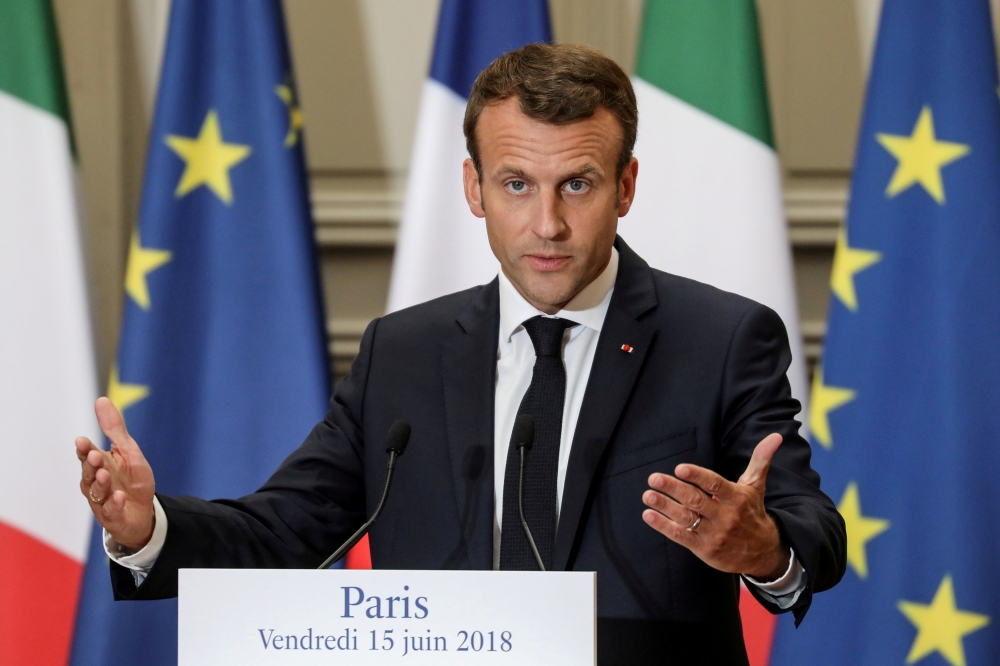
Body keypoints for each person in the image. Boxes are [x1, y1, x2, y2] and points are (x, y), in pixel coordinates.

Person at [76, 43, 845, 665]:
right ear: (474, 188)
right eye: (517, 184)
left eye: (576, 184)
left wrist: (764, 549)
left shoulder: (720, 338)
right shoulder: (402, 353)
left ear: (626, 185)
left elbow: (811, 527)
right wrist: (148, 530)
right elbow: (286, 531)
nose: (546, 223)